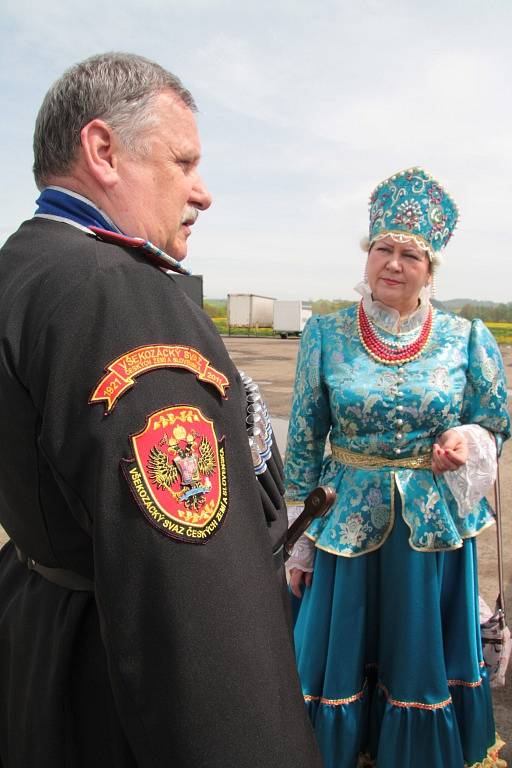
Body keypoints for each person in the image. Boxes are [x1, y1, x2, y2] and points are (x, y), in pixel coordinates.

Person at [0, 53, 322, 768]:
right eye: (184, 161)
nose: (202, 193)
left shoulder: (23, 266)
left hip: (45, 644)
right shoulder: (119, 293)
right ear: (104, 151)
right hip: (116, 689)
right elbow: (194, 597)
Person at [284, 167, 510, 768]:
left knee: (416, 653)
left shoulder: (466, 337)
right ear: (367, 256)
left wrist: (462, 443)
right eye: (382, 248)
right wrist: (298, 542)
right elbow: (305, 435)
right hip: (345, 524)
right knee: (341, 650)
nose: (393, 262)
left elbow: (494, 424)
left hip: (428, 531)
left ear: (429, 269)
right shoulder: (326, 335)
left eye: (410, 253)